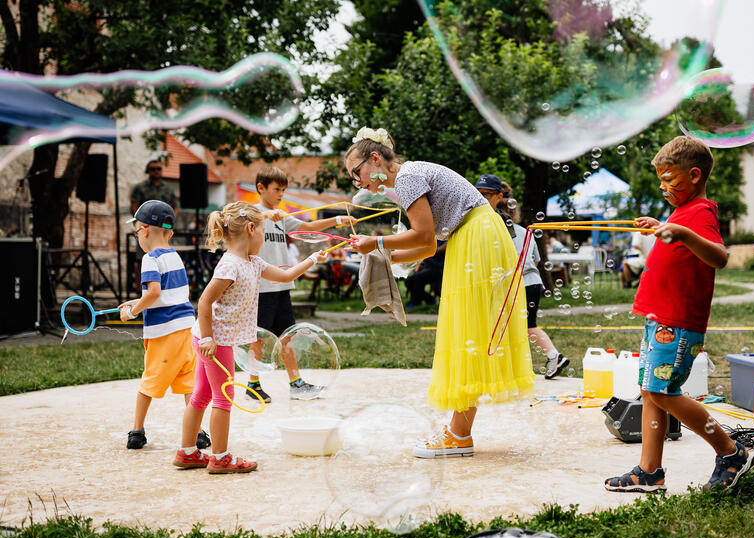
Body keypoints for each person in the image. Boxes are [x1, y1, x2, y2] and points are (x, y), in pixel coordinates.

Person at [344, 127, 534, 458]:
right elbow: (428, 245)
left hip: (476, 237)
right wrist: (386, 258)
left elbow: (423, 233)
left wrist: (375, 242)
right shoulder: (409, 177)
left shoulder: (406, 177)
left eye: (356, 173)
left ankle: (459, 436)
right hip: (474, 236)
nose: (358, 183)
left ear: (374, 159)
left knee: (467, 334)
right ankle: (459, 432)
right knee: (470, 334)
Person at [604, 136, 754, 493]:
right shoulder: (681, 212)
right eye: (661, 180)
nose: (663, 186)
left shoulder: (700, 213)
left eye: (670, 179)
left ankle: (730, 451)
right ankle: (649, 471)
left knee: (665, 391)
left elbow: (718, 256)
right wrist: (662, 226)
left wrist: (683, 232)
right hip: (660, 318)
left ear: (695, 175)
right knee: (650, 391)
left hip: (678, 322)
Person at [173, 201, 328, 473]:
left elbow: (285, 275)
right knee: (224, 396)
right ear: (251, 228)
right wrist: (209, 339)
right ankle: (219, 458)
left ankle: (187, 452)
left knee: (202, 394)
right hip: (214, 341)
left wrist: (313, 258)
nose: (264, 238)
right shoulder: (230, 265)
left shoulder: (253, 263)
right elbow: (205, 302)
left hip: (211, 338)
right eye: (264, 232)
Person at [248, 166, 355, 402]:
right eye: (277, 189)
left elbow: (307, 227)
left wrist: (337, 220)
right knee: (259, 338)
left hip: (281, 287)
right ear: (261, 188)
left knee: (287, 336)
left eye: (284, 190)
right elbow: (232, 217)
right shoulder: (251, 213)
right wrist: (265, 215)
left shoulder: (281, 217)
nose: (281, 195)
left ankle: (296, 383)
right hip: (261, 288)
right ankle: (252, 385)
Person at [120, 200, 209, 451]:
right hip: (186, 332)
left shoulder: (150, 259)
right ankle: (199, 433)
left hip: (164, 334)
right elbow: (168, 295)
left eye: (136, 230)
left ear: (145, 230)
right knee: (189, 385)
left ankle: (137, 431)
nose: (137, 235)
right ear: (169, 233)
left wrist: (132, 313)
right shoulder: (175, 257)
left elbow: (155, 293)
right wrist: (138, 300)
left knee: (149, 382)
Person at [475, 174, 569, 379]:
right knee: (523, 325)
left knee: (521, 326)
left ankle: (554, 356)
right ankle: (516, 365)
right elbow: (535, 261)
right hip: (533, 282)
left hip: (516, 285)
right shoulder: (523, 231)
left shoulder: (493, 230)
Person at [131, 160, 178, 293]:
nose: (156, 171)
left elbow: (174, 207)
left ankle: (164, 286)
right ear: (148, 170)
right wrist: (139, 223)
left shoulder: (168, 188)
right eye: (153, 169)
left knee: (164, 256)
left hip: (163, 229)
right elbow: (134, 206)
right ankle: (141, 289)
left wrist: (169, 224)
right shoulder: (140, 187)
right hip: (146, 228)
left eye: (158, 168)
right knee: (142, 257)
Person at [404, 242, 446, 308]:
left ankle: (415, 302)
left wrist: (430, 253)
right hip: (426, 266)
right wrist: (420, 263)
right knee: (409, 281)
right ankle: (430, 300)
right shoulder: (431, 236)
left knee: (418, 278)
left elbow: (446, 245)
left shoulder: (444, 235)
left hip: (438, 267)